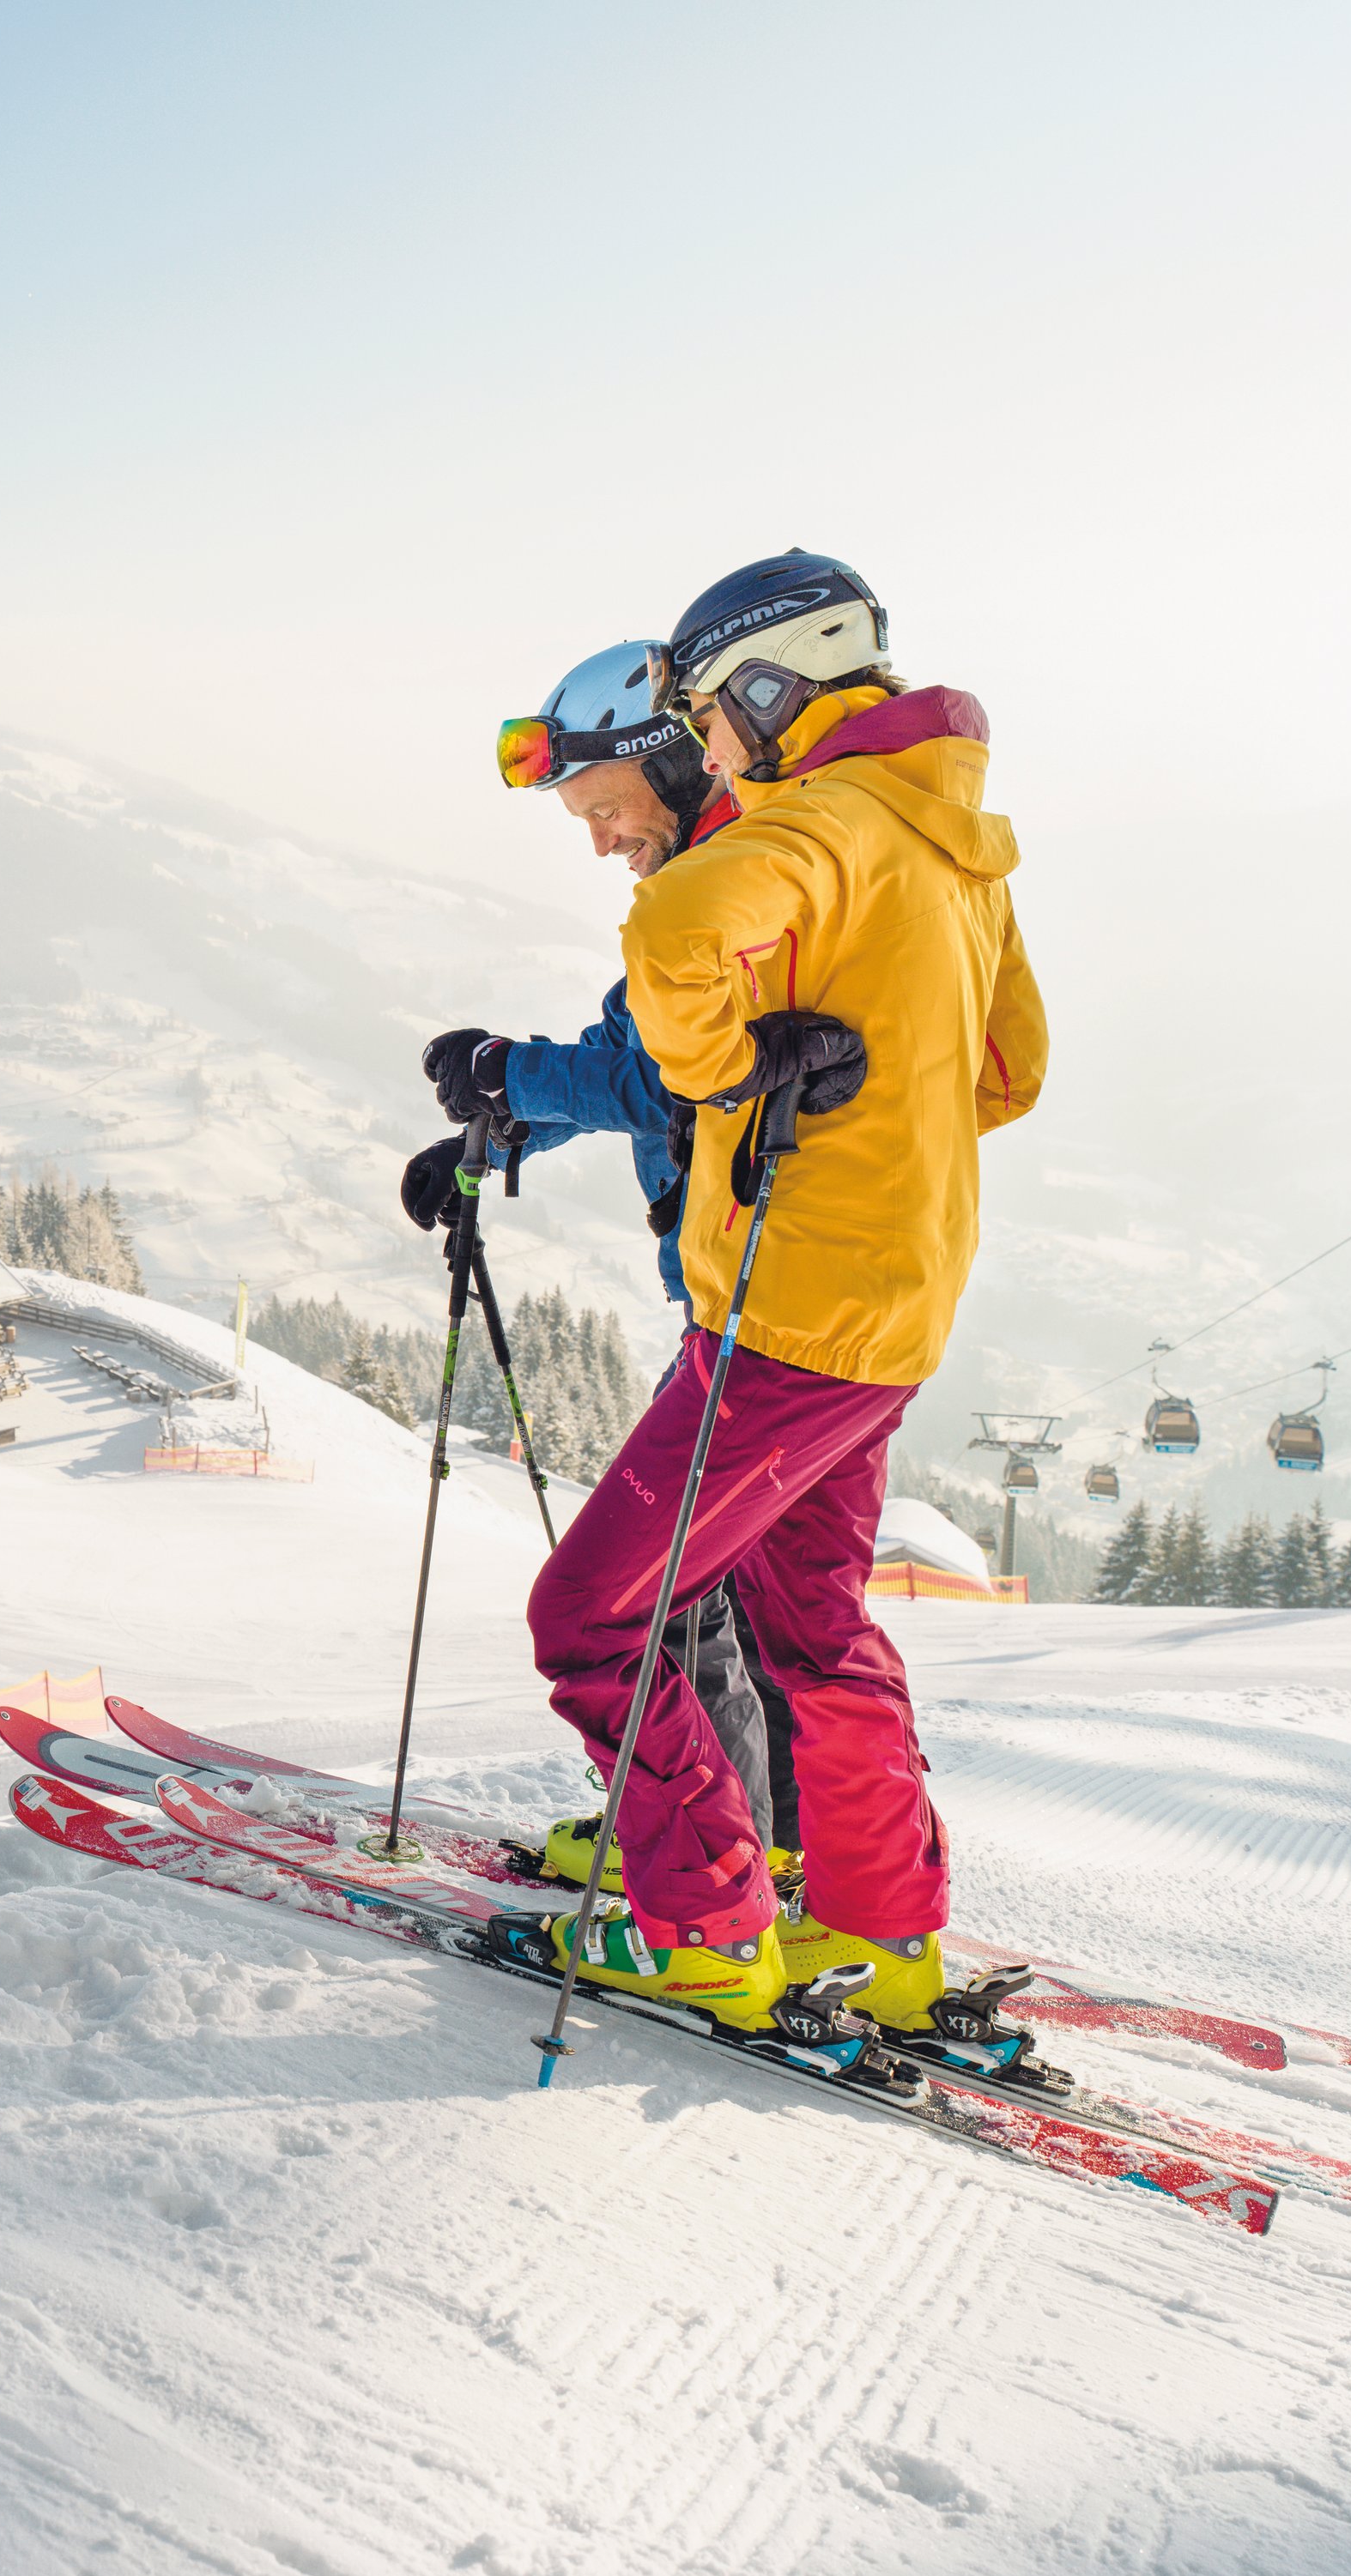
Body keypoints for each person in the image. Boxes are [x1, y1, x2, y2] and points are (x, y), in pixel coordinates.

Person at [518, 552, 1046, 2043]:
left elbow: (675, 933)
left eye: (709, 713)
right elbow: (1008, 1067)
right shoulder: (953, 838)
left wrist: (734, 1066)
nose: (713, 747)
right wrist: (867, 1106)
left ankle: (706, 1928)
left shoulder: (820, 821)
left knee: (591, 1615)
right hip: (896, 1311)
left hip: (786, 1318)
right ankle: (883, 1930)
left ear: (768, 685)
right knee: (813, 1622)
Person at [399, 641, 799, 1870]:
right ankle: (772, 1850)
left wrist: (508, 1074)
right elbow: (631, 1056)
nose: (598, 842)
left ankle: (702, 1857)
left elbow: (665, 1080)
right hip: (762, 1296)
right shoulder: (720, 874)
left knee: (651, 1589)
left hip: (763, 1303)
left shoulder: (734, 888)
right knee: (746, 1591)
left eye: (604, 809)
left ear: (673, 762)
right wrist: (506, 1122)